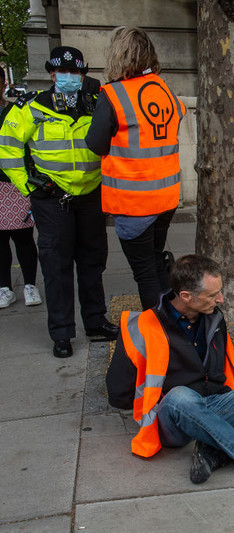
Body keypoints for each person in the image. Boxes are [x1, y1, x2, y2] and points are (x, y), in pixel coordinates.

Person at [106, 255, 234, 484]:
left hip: (216, 403)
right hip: (172, 418)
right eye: (213, 295)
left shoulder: (213, 317)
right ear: (186, 296)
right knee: (180, 396)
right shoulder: (143, 326)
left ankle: (215, 451)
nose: (221, 299)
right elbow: (118, 395)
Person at [0, 46, 118, 358]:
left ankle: (95, 322)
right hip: (52, 200)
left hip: (91, 196)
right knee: (57, 268)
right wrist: (28, 186)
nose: (68, 77)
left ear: (83, 74)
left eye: (76, 72)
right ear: (52, 74)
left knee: (93, 263)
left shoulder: (96, 103)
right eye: (62, 72)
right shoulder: (32, 106)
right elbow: (7, 148)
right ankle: (62, 333)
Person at [86, 27, 185, 310]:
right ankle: (173, 322)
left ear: (118, 55)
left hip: (134, 201)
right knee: (156, 262)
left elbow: (95, 143)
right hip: (166, 196)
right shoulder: (164, 90)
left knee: (145, 273)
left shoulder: (114, 94)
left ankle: (159, 332)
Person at [0, 68, 42, 309]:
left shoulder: (14, 111)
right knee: (0, 240)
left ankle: (29, 284)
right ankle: (4, 286)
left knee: (24, 236)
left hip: (14, 183)